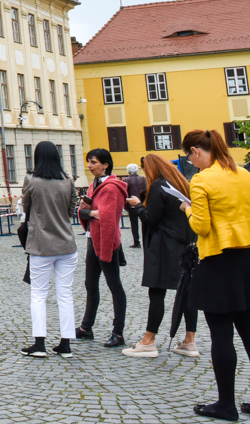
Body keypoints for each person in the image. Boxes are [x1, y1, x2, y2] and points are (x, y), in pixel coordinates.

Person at [182, 129, 250, 421]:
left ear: (197, 152)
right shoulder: (244, 175)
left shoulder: (202, 179)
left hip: (217, 259)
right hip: (246, 258)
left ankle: (226, 404)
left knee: (221, 334)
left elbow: (202, 227)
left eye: (189, 156)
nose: (190, 162)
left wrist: (186, 209)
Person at [121, 153, 198, 358]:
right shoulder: (182, 184)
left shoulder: (158, 186)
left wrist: (137, 204)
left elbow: (151, 218)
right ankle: (189, 340)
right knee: (187, 293)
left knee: (157, 293)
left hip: (163, 245)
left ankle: (148, 341)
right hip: (185, 243)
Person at [20, 141, 77, 358]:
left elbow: (25, 207)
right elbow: (72, 209)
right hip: (66, 244)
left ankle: (39, 343)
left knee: (38, 294)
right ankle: (66, 344)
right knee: (65, 294)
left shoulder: (32, 180)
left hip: (41, 245)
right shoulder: (68, 180)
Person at [76, 148, 127, 348]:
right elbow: (84, 212)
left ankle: (118, 332)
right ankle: (86, 327)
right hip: (92, 239)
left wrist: (92, 213)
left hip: (107, 241)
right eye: (89, 162)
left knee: (115, 286)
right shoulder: (93, 186)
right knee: (90, 284)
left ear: (105, 165)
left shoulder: (112, 188)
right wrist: (91, 213)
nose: (89, 165)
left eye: (94, 162)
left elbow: (108, 219)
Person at [124, 162, 147, 248]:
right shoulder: (143, 179)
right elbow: (145, 192)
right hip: (142, 204)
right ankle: (145, 241)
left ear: (128, 171)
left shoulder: (126, 180)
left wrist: (125, 205)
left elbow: (125, 194)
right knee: (144, 223)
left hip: (131, 205)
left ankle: (136, 242)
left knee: (134, 224)